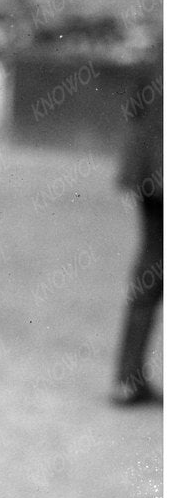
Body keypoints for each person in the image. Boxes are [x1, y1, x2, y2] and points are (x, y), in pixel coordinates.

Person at [111, 53, 163, 405]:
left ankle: (127, 377)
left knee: (151, 268)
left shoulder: (161, 48)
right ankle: (129, 376)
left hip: (151, 174)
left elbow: (136, 106)